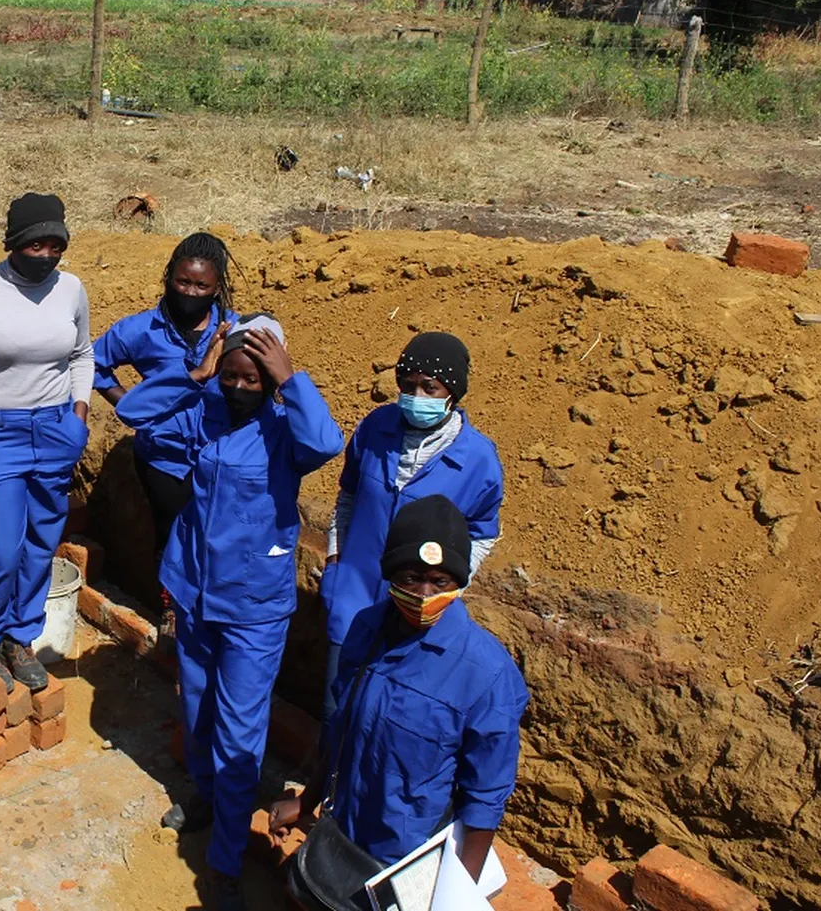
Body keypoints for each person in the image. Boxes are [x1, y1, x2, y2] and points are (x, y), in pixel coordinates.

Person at [116, 314, 344, 911]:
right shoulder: (203, 409)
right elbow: (133, 413)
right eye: (232, 377)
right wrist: (196, 373)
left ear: (270, 382)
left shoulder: (285, 429)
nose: (240, 389)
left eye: (254, 380)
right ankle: (208, 797)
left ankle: (224, 862)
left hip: (252, 607)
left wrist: (291, 380)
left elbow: (326, 443)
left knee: (240, 729)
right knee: (197, 712)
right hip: (193, 591)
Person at [269, 495, 528, 893]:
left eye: (440, 581)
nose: (424, 594)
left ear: (459, 582)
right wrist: (309, 800)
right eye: (410, 577)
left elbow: (485, 797)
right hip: (344, 832)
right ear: (390, 575)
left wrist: (454, 895)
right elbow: (341, 728)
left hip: (407, 861)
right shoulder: (367, 628)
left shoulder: (487, 674)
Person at [0, 193, 94, 693]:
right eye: (36, 245)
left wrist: (78, 414)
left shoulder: (71, 289)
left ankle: (19, 634)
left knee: (41, 544)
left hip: (55, 430)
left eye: (56, 245)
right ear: (13, 242)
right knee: (2, 550)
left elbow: (82, 355)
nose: (46, 255)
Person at [319, 331, 503, 722]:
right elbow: (348, 497)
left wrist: (445, 589)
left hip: (416, 613)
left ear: (452, 393)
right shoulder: (375, 428)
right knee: (338, 710)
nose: (416, 396)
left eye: (429, 387)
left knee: (388, 721)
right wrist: (336, 562)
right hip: (353, 600)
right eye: (408, 385)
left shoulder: (478, 460)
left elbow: (483, 533)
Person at [92, 232, 239, 629]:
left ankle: (213, 612)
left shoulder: (234, 330)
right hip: (164, 456)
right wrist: (130, 404)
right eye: (183, 282)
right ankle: (172, 608)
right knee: (171, 533)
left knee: (216, 537)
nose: (191, 291)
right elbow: (93, 363)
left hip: (220, 455)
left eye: (202, 285)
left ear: (217, 286)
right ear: (169, 277)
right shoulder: (140, 330)